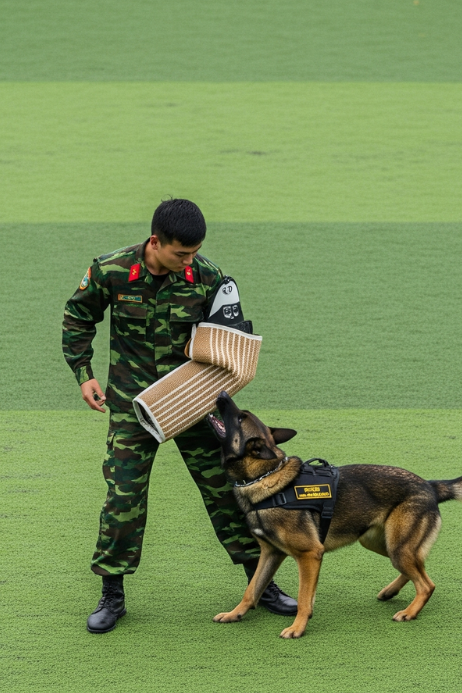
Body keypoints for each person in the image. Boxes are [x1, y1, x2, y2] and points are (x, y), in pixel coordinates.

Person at [62, 199, 297, 634]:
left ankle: (260, 585)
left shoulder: (205, 275)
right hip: (133, 406)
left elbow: (228, 335)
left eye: (194, 253)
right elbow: (78, 317)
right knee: (123, 498)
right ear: (156, 242)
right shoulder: (110, 270)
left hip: (192, 403)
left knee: (230, 491)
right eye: (181, 254)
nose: (189, 262)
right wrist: (84, 374)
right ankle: (112, 595)